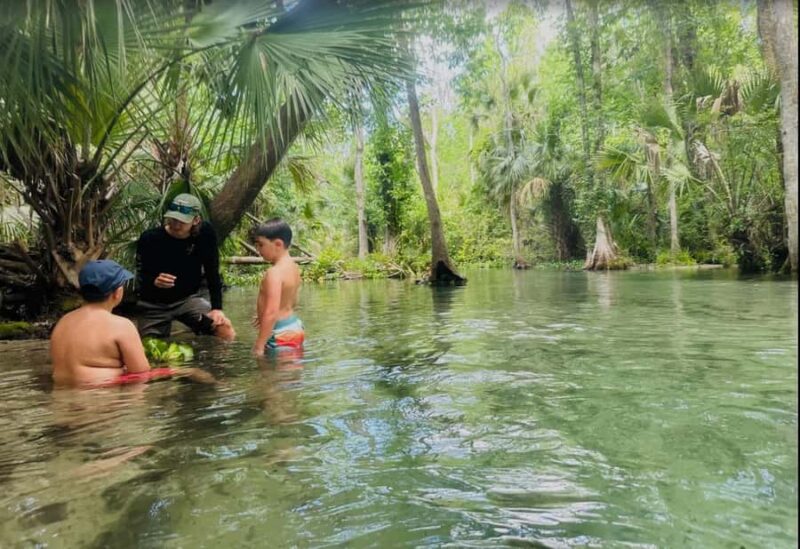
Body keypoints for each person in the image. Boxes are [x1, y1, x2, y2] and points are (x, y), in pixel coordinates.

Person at [50, 260, 173, 387]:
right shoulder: (121, 326)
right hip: (103, 400)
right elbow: (141, 374)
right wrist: (177, 371)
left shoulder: (63, 323)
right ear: (118, 292)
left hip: (62, 398)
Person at [136, 193, 235, 341]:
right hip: (153, 305)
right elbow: (142, 275)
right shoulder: (150, 238)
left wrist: (217, 308)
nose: (176, 225)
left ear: (196, 220)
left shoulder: (205, 234)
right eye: (173, 219)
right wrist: (154, 281)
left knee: (223, 328)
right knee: (151, 349)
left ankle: (218, 362)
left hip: (187, 300)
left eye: (182, 221)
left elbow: (212, 272)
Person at [251, 219, 304, 356]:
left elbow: (272, 312)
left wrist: (259, 345)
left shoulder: (274, 273)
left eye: (261, 245)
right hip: (294, 326)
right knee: (290, 374)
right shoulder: (294, 267)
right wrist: (262, 316)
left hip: (279, 331)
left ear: (278, 244)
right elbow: (292, 301)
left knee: (271, 374)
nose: (258, 250)